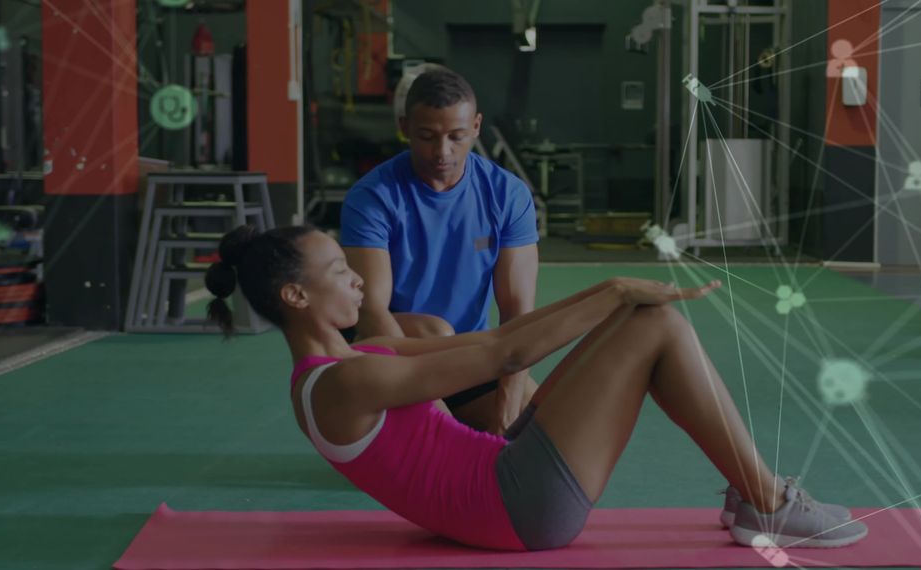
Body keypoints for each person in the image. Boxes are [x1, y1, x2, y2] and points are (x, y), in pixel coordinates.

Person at [204, 224, 869, 551]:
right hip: (519, 511)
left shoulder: (364, 356)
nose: (356, 281)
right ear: (295, 295)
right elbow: (504, 353)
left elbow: (484, 340)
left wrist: (607, 298)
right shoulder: (344, 386)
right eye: (339, 271)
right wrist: (613, 289)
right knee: (655, 323)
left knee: (640, 318)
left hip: (506, 475)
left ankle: (758, 494)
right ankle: (766, 500)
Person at [339, 67, 538, 435]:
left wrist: (506, 418)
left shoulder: (507, 195)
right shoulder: (373, 197)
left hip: (469, 356)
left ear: (476, 126)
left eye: (456, 136)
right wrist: (439, 425)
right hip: (391, 361)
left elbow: (518, 316)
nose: (442, 152)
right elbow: (372, 315)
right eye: (427, 136)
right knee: (436, 332)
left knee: (543, 429)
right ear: (404, 127)